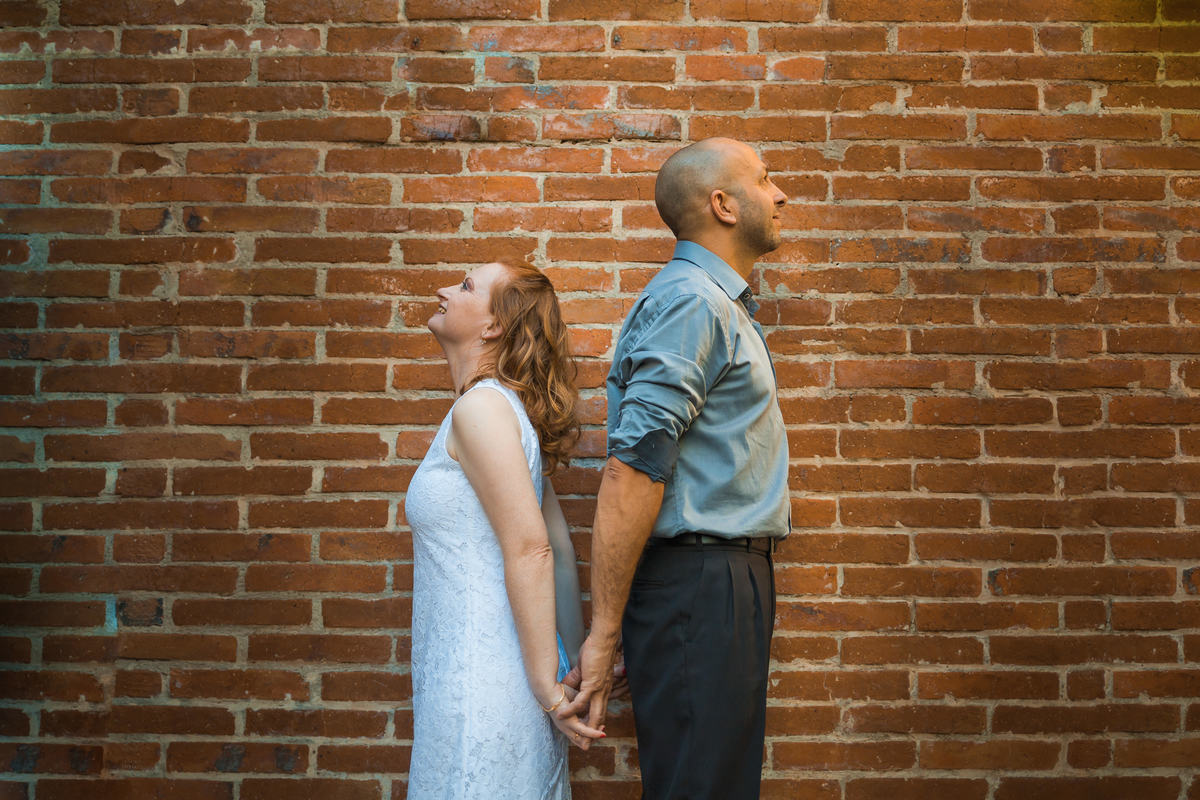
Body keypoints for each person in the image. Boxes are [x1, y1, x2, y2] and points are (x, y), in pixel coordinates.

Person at [562, 138, 791, 799]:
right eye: (766, 180)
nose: (781, 196)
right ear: (723, 204)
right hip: (700, 584)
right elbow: (634, 468)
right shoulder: (694, 302)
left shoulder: (715, 303)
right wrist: (604, 635)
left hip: (712, 586)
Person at [405, 261, 603, 799]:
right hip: (497, 680)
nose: (444, 289)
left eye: (466, 286)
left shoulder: (481, 410)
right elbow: (558, 548)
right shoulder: (504, 410)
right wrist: (568, 673)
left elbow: (532, 549)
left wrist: (548, 688)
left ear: (494, 326)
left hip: (484, 686)